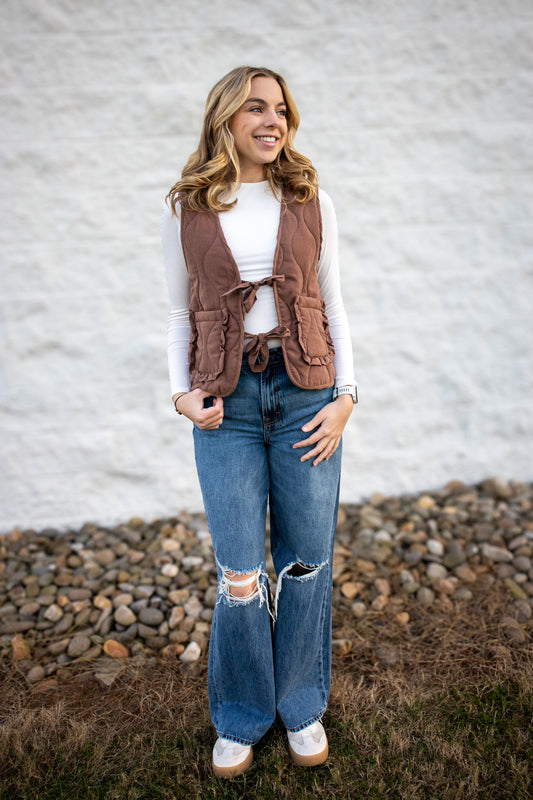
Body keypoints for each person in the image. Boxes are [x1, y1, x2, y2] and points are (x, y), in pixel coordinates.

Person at [162, 65, 357, 778]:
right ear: (225, 119)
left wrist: (346, 396)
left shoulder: (310, 200)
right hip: (228, 405)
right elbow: (177, 313)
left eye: (280, 109)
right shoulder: (187, 207)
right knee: (241, 570)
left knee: (305, 561)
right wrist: (179, 395)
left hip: (308, 394)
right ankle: (243, 713)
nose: (272, 120)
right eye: (255, 108)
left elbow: (333, 303)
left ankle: (300, 704)